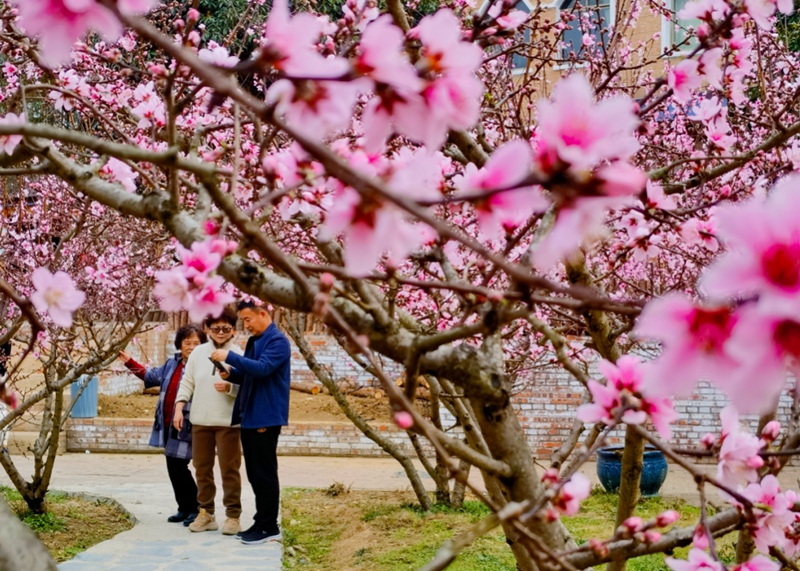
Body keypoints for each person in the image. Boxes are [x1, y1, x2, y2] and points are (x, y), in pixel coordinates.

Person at [210, 301, 290, 545]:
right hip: (250, 415)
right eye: (243, 320)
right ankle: (261, 521)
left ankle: (269, 527)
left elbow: (264, 369)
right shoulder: (256, 341)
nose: (245, 325)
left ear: (263, 314)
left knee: (265, 474)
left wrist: (231, 355)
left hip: (265, 415)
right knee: (255, 474)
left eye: (247, 319)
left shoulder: (278, 341)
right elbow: (249, 373)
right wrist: (230, 373)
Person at [119, 324, 206, 527]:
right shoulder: (172, 364)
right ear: (179, 344)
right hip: (168, 421)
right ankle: (184, 508)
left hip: (188, 423)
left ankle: (195, 508)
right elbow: (150, 376)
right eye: (187, 343)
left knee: (179, 465)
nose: (191, 347)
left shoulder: (203, 366)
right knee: (173, 466)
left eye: (196, 343)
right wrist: (128, 362)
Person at [173, 309, 243, 536]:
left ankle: (233, 516)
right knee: (202, 468)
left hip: (228, 423)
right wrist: (179, 407)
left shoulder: (238, 353)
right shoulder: (198, 353)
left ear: (233, 330)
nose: (220, 333)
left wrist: (230, 388)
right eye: (215, 328)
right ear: (207, 329)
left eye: (225, 328)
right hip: (201, 421)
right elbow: (187, 381)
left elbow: (246, 386)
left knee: (229, 469)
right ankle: (206, 513)